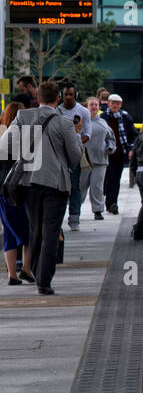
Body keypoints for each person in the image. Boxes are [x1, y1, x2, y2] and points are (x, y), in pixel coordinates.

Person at [3, 81, 82, 295]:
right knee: (51, 231)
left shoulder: (23, 117)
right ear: (57, 99)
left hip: (29, 184)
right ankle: (43, 280)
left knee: (35, 230)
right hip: (56, 184)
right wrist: (76, 135)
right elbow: (75, 158)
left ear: (38, 98)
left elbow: (5, 146)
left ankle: (37, 271)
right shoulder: (65, 123)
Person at [0, 101, 35, 286]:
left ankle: (12, 275)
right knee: (28, 231)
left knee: (9, 234)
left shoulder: (1, 133)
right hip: (21, 190)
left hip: (3, 192)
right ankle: (27, 269)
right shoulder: (25, 135)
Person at [57, 83, 91, 231]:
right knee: (59, 187)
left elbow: (88, 134)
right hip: (59, 155)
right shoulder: (57, 111)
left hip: (74, 154)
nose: (69, 97)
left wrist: (75, 142)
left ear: (75, 95)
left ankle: (74, 217)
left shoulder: (83, 111)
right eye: (66, 94)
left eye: (71, 94)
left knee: (75, 186)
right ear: (61, 95)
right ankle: (58, 217)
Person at [80, 97, 115, 219]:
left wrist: (110, 147)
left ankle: (98, 211)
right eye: (91, 105)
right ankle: (75, 210)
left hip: (100, 160)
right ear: (86, 107)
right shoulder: (81, 122)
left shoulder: (103, 123)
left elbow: (111, 138)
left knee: (97, 187)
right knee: (81, 186)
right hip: (84, 160)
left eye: (96, 104)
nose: (94, 107)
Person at [102, 93, 137, 214]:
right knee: (108, 179)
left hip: (120, 154)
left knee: (115, 180)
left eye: (118, 103)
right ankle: (109, 202)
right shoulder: (103, 117)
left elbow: (133, 135)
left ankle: (112, 203)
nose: (115, 105)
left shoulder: (126, 118)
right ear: (108, 103)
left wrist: (131, 149)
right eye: (113, 103)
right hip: (105, 155)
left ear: (121, 105)